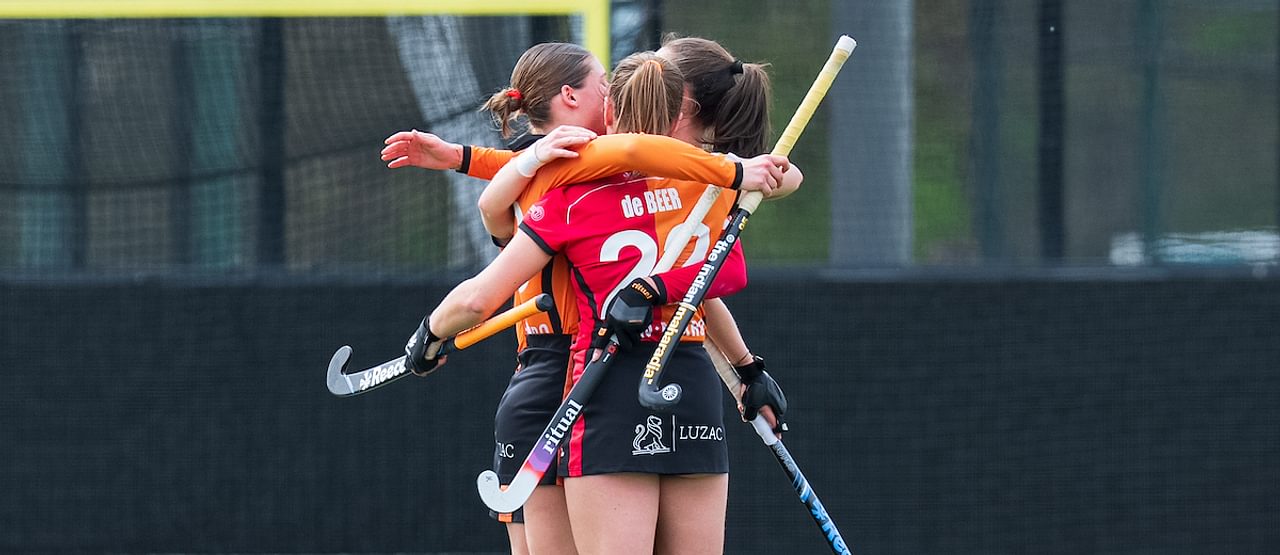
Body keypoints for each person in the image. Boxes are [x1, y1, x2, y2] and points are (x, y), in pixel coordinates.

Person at [380, 42, 785, 555]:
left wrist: (430, 334)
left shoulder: (566, 188)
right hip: (687, 384)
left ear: (616, 108)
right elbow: (710, 278)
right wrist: (746, 366)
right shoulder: (701, 187)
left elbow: (485, 263)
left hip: (585, 381)